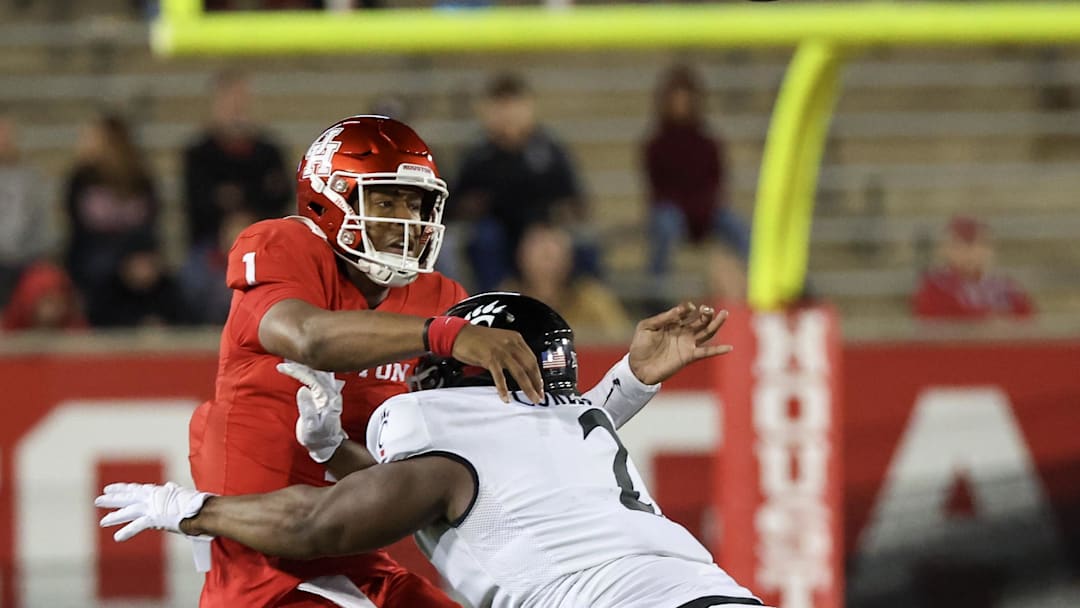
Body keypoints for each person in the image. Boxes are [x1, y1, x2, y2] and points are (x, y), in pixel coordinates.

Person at [183, 114, 721, 608]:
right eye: (388, 202)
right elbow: (301, 334)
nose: (406, 222)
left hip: (355, 538)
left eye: (415, 205)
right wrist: (444, 336)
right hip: (259, 544)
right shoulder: (287, 244)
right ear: (329, 201)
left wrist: (630, 379)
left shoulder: (439, 298)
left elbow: (516, 434)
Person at [98, 292, 762, 608]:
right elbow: (460, 489)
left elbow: (317, 524)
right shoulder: (575, 420)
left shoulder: (452, 437)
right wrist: (333, 449)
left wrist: (190, 510)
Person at [448, 72, 598, 291]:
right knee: (486, 238)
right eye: (501, 107)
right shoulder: (478, 155)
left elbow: (574, 199)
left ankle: (582, 304)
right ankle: (494, 299)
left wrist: (554, 223)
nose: (508, 115)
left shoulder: (549, 149)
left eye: (515, 106)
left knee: (583, 244)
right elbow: (456, 204)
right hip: (499, 233)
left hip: (544, 228)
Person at [642, 65, 749, 291]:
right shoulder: (656, 144)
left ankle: (761, 278)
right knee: (665, 223)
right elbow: (658, 189)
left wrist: (704, 208)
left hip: (706, 211)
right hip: (673, 211)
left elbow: (716, 182)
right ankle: (655, 287)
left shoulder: (708, 143)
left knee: (736, 226)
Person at [62, 112, 160, 313]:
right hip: (93, 254)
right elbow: (77, 230)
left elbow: (150, 223)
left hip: (134, 251)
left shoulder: (140, 179)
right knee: (100, 268)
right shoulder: (80, 179)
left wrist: (140, 254)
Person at [183, 69, 290, 252]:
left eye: (241, 100)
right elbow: (198, 204)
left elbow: (280, 196)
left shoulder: (269, 151)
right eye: (229, 100)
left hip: (264, 243)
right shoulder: (199, 153)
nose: (236, 108)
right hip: (211, 248)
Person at [500, 222, 632, 342]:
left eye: (553, 253)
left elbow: (619, 339)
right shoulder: (505, 299)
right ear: (521, 257)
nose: (547, 260)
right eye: (541, 253)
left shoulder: (592, 297)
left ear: (570, 259)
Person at [912, 215, 1034, 320]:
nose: (971, 252)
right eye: (960, 245)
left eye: (979, 244)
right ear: (945, 249)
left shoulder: (1006, 287)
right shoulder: (935, 286)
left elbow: (1029, 321)